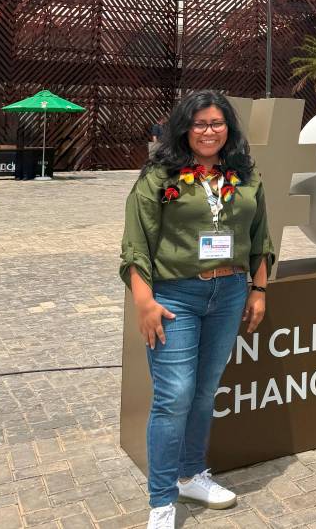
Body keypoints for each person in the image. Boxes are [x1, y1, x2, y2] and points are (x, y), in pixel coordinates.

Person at [119, 91, 274, 529]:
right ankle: (162, 499)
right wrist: (144, 302)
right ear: (183, 128)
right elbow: (136, 242)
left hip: (228, 294)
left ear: (229, 129)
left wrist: (258, 289)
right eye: (200, 123)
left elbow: (260, 235)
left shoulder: (243, 176)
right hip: (175, 297)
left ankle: (191, 474)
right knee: (174, 397)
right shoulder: (158, 175)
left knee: (205, 391)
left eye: (217, 123)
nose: (209, 131)